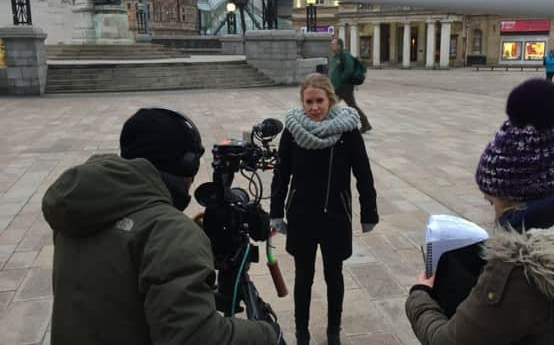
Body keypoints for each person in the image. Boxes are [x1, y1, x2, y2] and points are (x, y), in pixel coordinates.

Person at [405, 79, 554, 345]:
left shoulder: (518, 270)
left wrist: (420, 295)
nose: (494, 216)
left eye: (491, 202)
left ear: (512, 197)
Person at [42, 108, 278, 345]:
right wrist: (266, 333)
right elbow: (196, 338)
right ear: (187, 165)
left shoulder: (83, 206)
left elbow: (121, 287)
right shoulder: (169, 234)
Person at [270, 73, 379, 345]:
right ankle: (302, 332)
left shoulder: (347, 131)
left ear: (330, 100)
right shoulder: (293, 131)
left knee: (334, 275)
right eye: (309, 102)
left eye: (319, 101)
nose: (314, 107)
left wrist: (369, 212)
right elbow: (281, 175)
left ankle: (333, 331)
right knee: (303, 277)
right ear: (302, 101)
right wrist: (275, 212)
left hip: (335, 216)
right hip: (302, 216)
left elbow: (363, 173)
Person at [329, 37, 372, 134]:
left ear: (339, 46)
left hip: (344, 87)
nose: (331, 46)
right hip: (338, 87)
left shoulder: (345, 55)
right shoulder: (336, 56)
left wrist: (341, 80)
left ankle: (365, 123)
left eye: (333, 44)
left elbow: (349, 69)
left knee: (332, 104)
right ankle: (365, 123)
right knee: (332, 104)